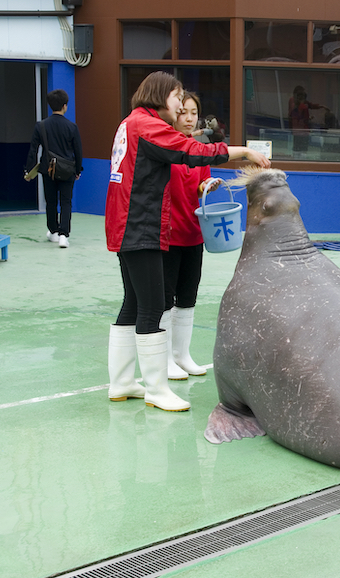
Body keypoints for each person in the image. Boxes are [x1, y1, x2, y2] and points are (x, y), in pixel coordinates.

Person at [105, 71, 270, 412]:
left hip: (127, 225)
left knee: (133, 304)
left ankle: (121, 382)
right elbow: (190, 150)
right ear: (159, 95)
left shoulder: (131, 122)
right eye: (177, 98)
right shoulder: (147, 126)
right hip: (142, 227)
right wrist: (244, 152)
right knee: (151, 308)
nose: (181, 106)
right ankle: (156, 389)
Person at [161, 92, 218, 381]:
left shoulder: (199, 150)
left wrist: (207, 185)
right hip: (167, 236)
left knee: (188, 297)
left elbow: (197, 188)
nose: (189, 117)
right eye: (183, 111)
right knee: (165, 299)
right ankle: (164, 360)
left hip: (193, 233)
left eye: (194, 112)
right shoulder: (164, 146)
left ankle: (182, 356)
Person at [23, 89, 83, 248]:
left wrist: (28, 171)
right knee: (66, 202)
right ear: (65, 106)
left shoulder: (40, 125)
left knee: (51, 201)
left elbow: (33, 150)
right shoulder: (72, 126)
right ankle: (64, 235)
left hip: (47, 169)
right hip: (67, 170)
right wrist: (78, 170)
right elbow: (78, 151)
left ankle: (53, 231)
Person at [288, 85, 328, 152]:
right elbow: (299, 116)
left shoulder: (300, 104)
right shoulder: (299, 104)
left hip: (296, 129)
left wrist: (321, 106)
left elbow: (310, 106)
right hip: (302, 130)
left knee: (296, 147)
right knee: (303, 148)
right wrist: (308, 118)